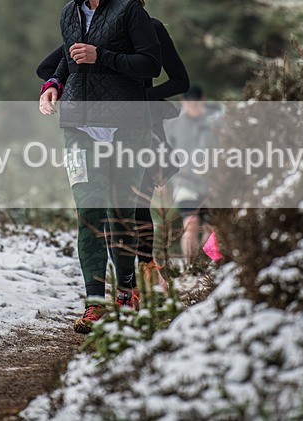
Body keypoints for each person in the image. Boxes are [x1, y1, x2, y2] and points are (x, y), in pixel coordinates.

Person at [38, 0, 161, 333]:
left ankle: (126, 293)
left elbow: (151, 66)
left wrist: (101, 57)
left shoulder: (129, 12)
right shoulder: (68, 14)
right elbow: (65, 57)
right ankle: (95, 303)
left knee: (120, 214)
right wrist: (54, 83)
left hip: (127, 127)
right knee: (90, 214)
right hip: (78, 126)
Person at [36, 19, 189, 294]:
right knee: (108, 211)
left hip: (142, 127)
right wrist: (75, 91)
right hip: (98, 128)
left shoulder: (151, 29)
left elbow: (180, 80)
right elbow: (46, 68)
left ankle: (145, 274)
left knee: (135, 205)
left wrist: (138, 96)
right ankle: (125, 288)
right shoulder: (94, 33)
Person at [164, 85, 220, 265]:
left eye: (197, 104)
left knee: (212, 228)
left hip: (212, 184)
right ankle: (190, 265)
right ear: (183, 102)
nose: (193, 108)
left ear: (203, 100)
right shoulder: (172, 123)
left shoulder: (216, 120)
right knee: (191, 223)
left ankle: (210, 264)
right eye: (190, 104)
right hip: (185, 183)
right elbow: (164, 151)